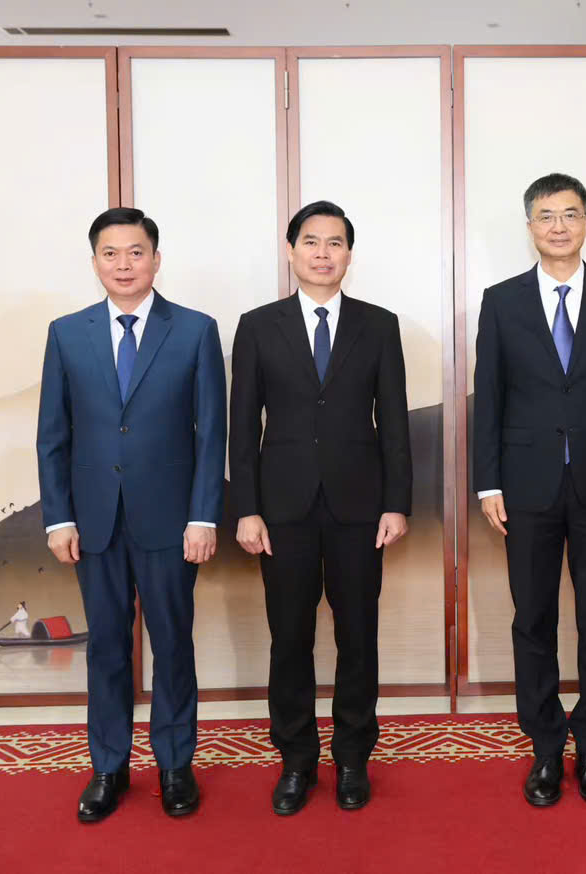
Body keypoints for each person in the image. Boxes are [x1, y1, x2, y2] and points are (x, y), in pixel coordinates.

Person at [473, 173, 586, 807]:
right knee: (533, 618)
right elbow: (490, 396)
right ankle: (547, 747)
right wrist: (488, 482)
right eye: (547, 215)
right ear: (530, 226)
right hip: (526, 485)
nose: (559, 226)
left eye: (570, 214)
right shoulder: (501, 301)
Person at [36, 207, 226, 822]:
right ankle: (108, 767)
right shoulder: (67, 333)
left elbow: (211, 434)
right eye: (111, 254)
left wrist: (204, 516)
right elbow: (53, 436)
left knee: (172, 643)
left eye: (136, 252)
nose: (124, 264)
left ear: (156, 259)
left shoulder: (195, 330)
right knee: (107, 647)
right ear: (94, 261)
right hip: (93, 521)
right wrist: (58, 519)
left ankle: (175, 765)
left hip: (172, 521)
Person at [229, 200, 412, 815]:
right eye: (311, 241)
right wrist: (246, 508)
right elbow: (241, 426)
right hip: (282, 509)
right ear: (291, 251)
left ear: (349, 254)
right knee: (290, 638)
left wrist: (397, 503)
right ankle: (297, 761)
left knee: (359, 636)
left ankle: (353, 757)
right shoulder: (258, 326)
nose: (323, 253)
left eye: (335, 243)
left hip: (360, 508)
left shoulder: (378, 325)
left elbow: (394, 424)